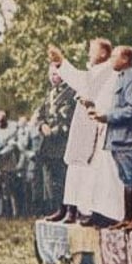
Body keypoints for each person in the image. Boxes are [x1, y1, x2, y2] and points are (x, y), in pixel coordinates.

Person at [47, 38, 124, 226]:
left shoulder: (109, 73)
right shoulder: (94, 72)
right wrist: (60, 63)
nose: (88, 53)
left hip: (99, 127)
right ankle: (72, 209)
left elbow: (83, 84)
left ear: (104, 53)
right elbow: (79, 79)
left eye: (92, 50)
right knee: (76, 168)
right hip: (84, 126)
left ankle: (93, 212)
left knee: (96, 173)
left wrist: (63, 63)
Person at [88, 45, 132, 231]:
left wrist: (106, 116)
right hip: (117, 138)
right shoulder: (120, 78)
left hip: (128, 139)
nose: (111, 60)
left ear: (125, 60)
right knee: (126, 178)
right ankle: (128, 217)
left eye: (115, 57)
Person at [36, 67, 76, 218]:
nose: (54, 77)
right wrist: (42, 125)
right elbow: (40, 114)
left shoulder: (71, 93)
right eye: (51, 74)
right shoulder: (49, 94)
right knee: (53, 180)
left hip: (63, 141)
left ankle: (71, 210)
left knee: (66, 177)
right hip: (49, 143)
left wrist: (56, 129)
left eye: (57, 73)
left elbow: (71, 117)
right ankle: (60, 208)